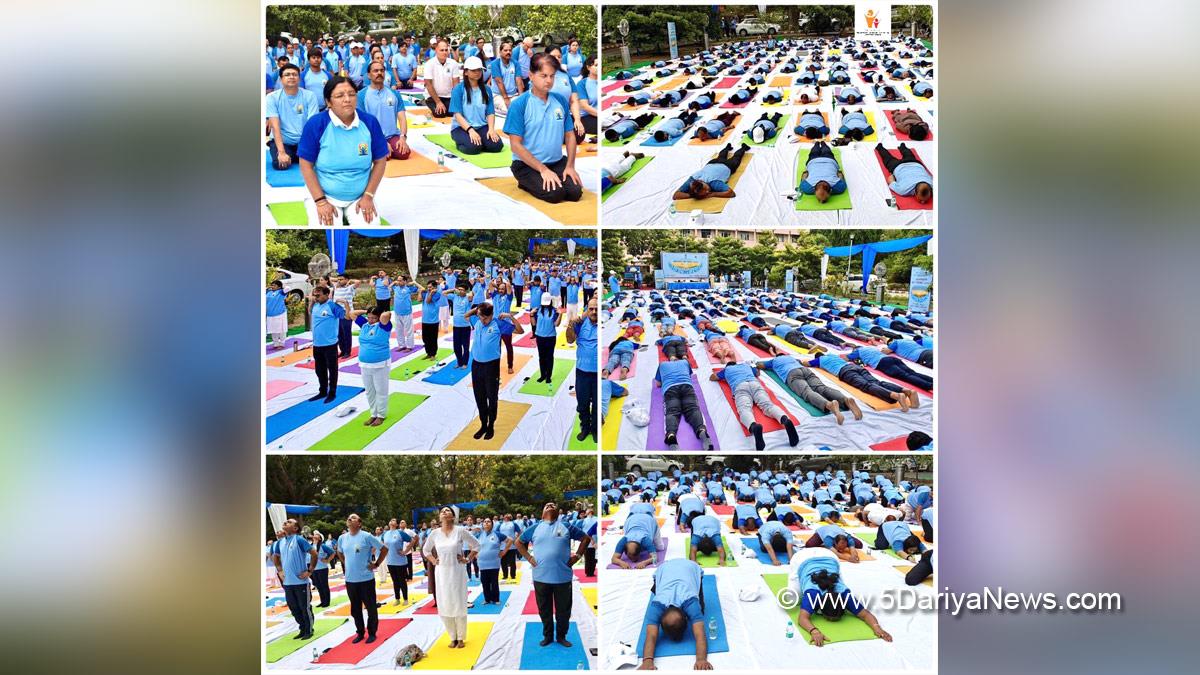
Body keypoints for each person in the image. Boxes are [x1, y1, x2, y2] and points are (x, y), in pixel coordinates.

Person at [298, 76, 388, 226]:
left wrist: (368, 196)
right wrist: (320, 202)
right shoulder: (316, 124)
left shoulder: (369, 122)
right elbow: (305, 165)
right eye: (340, 95)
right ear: (328, 102)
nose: (347, 99)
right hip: (325, 195)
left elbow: (380, 161)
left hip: (360, 196)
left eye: (351, 94)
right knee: (327, 227)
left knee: (371, 227)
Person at [503, 53, 584, 204]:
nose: (549, 81)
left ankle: (549, 175)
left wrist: (570, 166)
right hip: (527, 165)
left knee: (574, 193)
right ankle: (525, 181)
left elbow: (570, 136)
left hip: (556, 161)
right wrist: (542, 169)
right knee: (555, 194)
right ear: (531, 76)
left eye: (552, 76)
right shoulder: (519, 104)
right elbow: (515, 145)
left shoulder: (560, 100)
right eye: (543, 75)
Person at [515, 502, 591, 647]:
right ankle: (548, 636)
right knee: (544, 609)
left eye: (553, 505)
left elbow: (586, 538)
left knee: (563, 609)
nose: (550, 505)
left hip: (562, 576)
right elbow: (519, 542)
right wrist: (529, 558)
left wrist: (577, 556)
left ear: (558, 512)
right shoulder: (535, 527)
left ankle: (561, 636)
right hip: (540, 576)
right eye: (546, 505)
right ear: (542, 513)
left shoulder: (566, 526)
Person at [792, 550, 892, 647]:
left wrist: (877, 628)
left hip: (830, 557)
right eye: (829, 618)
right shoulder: (812, 594)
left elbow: (865, 614)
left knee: (838, 580)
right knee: (792, 599)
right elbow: (802, 618)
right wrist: (814, 631)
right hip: (802, 558)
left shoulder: (844, 595)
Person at [422, 507, 480, 649]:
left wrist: (467, 559)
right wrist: (434, 561)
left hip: (457, 572)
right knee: (444, 604)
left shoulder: (460, 531)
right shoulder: (434, 533)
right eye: (443, 511)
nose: (445, 512)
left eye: (448, 511)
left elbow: (477, 545)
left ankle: (460, 637)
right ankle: (452, 637)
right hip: (441, 573)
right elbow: (425, 550)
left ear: (453, 517)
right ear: (439, 516)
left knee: (459, 603)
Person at [638, 559, 712, 670]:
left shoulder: (692, 603)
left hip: (691, 566)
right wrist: (647, 661)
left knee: (702, 609)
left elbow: (700, 634)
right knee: (660, 588)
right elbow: (651, 636)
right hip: (664, 568)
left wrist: (701, 659)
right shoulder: (656, 605)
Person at [465, 301, 523, 440]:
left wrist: (510, 316)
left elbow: (520, 330)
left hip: (491, 366)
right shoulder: (478, 321)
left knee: (492, 396)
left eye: (485, 318)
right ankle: (483, 424)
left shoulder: (498, 324)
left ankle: (491, 425)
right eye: (480, 317)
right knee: (479, 397)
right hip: (476, 365)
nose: (482, 320)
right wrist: (477, 311)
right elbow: (466, 316)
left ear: (491, 315)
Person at [711, 361, 799, 450]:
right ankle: (784, 419)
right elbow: (757, 373)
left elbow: (713, 377)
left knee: (744, 409)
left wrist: (724, 375)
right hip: (755, 384)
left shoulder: (726, 370)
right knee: (768, 405)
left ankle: (753, 426)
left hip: (740, 387)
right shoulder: (745, 365)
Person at [757, 356, 862, 424]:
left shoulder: (774, 360)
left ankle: (829, 405)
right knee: (821, 387)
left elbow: (760, 365)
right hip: (805, 370)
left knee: (806, 391)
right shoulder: (792, 358)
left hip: (792, 374)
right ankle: (845, 400)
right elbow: (801, 361)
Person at [337, 514, 387, 644]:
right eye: (348, 517)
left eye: (353, 518)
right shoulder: (342, 538)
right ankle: (360, 632)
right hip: (350, 580)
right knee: (355, 609)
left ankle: (372, 632)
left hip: (366, 579)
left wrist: (376, 564)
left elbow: (384, 549)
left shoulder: (366, 536)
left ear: (359, 523)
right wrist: (345, 563)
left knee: (370, 607)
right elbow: (339, 552)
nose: (349, 519)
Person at [807, 352, 919, 410]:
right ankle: (906, 391)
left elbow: (806, 363)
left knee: (866, 386)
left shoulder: (819, 359)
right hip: (856, 367)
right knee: (877, 383)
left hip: (845, 372)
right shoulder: (833, 355)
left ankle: (895, 395)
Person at [265, 64, 320, 171]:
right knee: (280, 164)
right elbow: (275, 127)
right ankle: (290, 154)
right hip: (284, 141)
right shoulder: (272, 98)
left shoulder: (310, 95)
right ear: (281, 79)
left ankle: (297, 155)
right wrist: (281, 152)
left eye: (294, 74)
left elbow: (312, 124)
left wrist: (308, 147)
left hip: (304, 140)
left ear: (299, 78)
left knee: (318, 162)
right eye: (287, 75)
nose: (291, 77)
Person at [655, 354, 714, 450]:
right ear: (678, 359)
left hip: (670, 389)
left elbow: (658, 384)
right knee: (693, 409)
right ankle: (701, 430)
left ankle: (671, 435)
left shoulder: (662, 365)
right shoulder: (685, 362)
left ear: (669, 359)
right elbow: (690, 375)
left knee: (672, 412)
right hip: (687, 386)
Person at [347, 306, 394, 425]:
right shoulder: (364, 325)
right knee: (369, 391)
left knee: (381, 390)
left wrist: (380, 312)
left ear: (378, 318)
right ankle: (373, 413)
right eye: (368, 317)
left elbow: (386, 315)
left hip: (380, 364)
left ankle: (381, 415)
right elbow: (352, 313)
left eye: (373, 318)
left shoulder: (384, 326)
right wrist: (366, 312)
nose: (370, 320)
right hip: (365, 364)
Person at [273, 518, 317, 640]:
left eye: (289, 522)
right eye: (285, 521)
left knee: (304, 607)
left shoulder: (299, 540)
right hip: (288, 583)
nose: (285, 522)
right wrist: (280, 570)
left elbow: (314, 554)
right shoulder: (280, 543)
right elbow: (275, 557)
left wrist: (309, 571)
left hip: (301, 582)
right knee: (293, 607)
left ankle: (309, 630)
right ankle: (302, 628)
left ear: (295, 528)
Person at [450, 56, 504, 155]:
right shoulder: (458, 89)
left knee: (497, 146)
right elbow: (457, 115)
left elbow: (490, 112)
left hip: (481, 126)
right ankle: (461, 143)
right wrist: (470, 130)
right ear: (466, 72)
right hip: (461, 128)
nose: (477, 72)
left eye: (479, 70)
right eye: (473, 70)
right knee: (473, 148)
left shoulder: (487, 89)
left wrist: (491, 129)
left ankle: (481, 141)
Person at [358, 61, 411, 160]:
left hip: (391, 135)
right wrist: (380, 141)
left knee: (404, 153)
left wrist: (403, 137)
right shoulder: (361, 95)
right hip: (371, 136)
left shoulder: (394, 94)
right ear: (369, 75)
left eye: (382, 70)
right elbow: (361, 124)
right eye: (375, 71)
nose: (379, 73)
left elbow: (402, 118)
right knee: (380, 156)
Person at [307, 286, 349, 404]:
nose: (316, 297)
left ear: (327, 295)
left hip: (330, 344)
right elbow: (311, 313)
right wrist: (311, 301)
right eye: (315, 295)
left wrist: (345, 303)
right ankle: (322, 390)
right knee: (319, 370)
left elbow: (346, 316)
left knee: (332, 369)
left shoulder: (332, 306)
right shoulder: (315, 305)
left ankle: (332, 392)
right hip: (317, 344)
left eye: (318, 295)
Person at [566, 298, 600, 442]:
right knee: (583, 403)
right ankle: (585, 428)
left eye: (596, 309)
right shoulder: (580, 323)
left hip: (598, 374)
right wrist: (570, 325)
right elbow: (569, 340)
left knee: (597, 404)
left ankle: (595, 430)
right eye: (591, 309)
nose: (594, 312)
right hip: (582, 372)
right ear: (587, 309)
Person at [673, 143, 749, 201]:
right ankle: (727, 147)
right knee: (721, 156)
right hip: (712, 162)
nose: (707, 191)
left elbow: (731, 193)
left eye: (706, 189)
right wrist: (694, 195)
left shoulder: (714, 183)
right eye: (705, 192)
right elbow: (676, 195)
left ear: (703, 183)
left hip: (728, 165)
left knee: (736, 158)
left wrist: (713, 194)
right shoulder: (692, 180)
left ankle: (743, 148)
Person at [847, 346, 933, 391]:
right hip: (891, 358)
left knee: (906, 376)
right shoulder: (871, 348)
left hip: (883, 362)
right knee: (912, 373)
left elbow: (847, 358)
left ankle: (930, 386)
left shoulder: (858, 351)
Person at [423, 38, 461, 118]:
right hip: (433, 97)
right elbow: (428, 85)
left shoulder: (453, 64)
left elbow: (456, 85)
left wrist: (456, 101)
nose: (444, 52)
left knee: (454, 113)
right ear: (436, 50)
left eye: (446, 50)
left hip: (449, 96)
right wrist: (438, 102)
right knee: (440, 114)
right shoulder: (429, 64)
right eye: (442, 50)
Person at [476, 517, 510, 604]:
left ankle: (496, 599)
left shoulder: (497, 534)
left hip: (494, 563)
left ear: (492, 524)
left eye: (488, 522)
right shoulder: (479, 534)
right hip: (482, 563)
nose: (486, 523)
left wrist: (504, 552)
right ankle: (487, 599)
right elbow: (471, 543)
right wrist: (475, 554)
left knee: (494, 582)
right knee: (484, 582)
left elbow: (510, 541)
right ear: (482, 524)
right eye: (485, 522)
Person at [382, 518, 413, 606]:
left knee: (402, 581)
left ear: (396, 524)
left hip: (400, 561)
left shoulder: (400, 533)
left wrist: (405, 551)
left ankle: (405, 599)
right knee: (395, 581)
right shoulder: (385, 534)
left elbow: (412, 540)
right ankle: (397, 598)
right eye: (390, 520)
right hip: (390, 561)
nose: (392, 521)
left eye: (394, 520)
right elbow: (382, 544)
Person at [531, 294, 560, 383]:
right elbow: (533, 324)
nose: (546, 305)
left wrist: (560, 315)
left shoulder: (554, 311)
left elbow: (556, 324)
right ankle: (542, 375)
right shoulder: (537, 310)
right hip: (540, 337)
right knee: (542, 357)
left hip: (550, 337)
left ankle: (548, 376)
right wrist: (531, 315)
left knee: (549, 357)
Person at [448, 285, 472, 368]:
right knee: (456, 346)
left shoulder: (467, 298)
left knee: (465, 346)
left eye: (462, 290)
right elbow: (443, 293)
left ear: (465, 291)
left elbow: (471, 295)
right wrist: (453, 289)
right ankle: (459, 362)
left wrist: (466, 293)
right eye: (459, 289)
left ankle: (465, 363)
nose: (460, 291)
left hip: (465, 326)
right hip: (456, 326)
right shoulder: (454, 297)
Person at [418, 281, 444, 360]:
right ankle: (428, 353)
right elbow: (419, 300)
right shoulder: (426, 293)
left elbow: (428, 301)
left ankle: (433, 354)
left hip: (433, 321)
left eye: (431, 287)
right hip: (425, 320)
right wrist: (420, 292)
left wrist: (431, 293)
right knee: (425, 338)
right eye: (428, 287)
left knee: (433, 338)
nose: (429, 289)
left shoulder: (437, 294)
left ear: (435, 287)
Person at [576, 57, 599, 135]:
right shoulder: (582, 84)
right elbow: (584, 106)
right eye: (596, 65)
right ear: (588, 67)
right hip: (586, 116)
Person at [311, 532, 335, 607]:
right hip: (314, 569)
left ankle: (326, 602)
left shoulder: (322, 546)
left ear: (320, 538)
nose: (314, 536)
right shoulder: (310, 546)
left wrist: (327, 560)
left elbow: (333, 552)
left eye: (317, 535)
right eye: (314, 535)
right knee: (318, 586)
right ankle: (322, 601)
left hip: (322, 568)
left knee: (324, 585)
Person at [497, 514, 523, 581]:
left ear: (510, 518)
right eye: (505, 516)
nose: (506, 517)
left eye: (508, 516)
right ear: (503, 518)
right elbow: (496, 533)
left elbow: (520, 532)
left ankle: (513, 575)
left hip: (512, 546)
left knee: (512, 562)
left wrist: (517, 539)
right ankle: (505, 575)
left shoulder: (513, 524)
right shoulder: (500, 525)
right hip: (502, 546)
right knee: (503, 562)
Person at [265, 281, 288, 348]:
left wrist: (282, 288)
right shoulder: (268, 292)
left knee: (281, 329)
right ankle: (276, 344)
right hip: (270, 314)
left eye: (274, 285)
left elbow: (288, 288)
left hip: (280, 313)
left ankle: (282, 343)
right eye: (271, 285)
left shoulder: (281, 292)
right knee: (273, 329)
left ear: (279, 287)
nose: (272, 286)